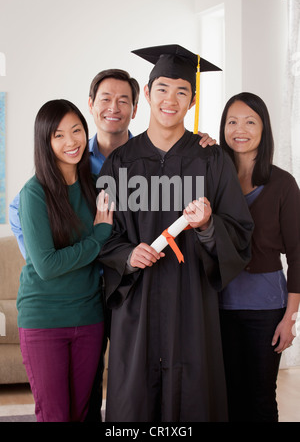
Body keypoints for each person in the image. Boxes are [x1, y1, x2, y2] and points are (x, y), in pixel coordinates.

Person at [9, 68, 215, 421]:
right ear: (92, 105)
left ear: (137, 106)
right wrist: (63, 265)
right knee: (66, 406)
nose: (114, 107)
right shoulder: (68, 169)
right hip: (75, 297)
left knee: (99, 394)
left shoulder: (147, 162)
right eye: (105, 98)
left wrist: (197, 143)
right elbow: (35, 241)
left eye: (124, 100)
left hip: (117, 297)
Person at [97, 44, 254, 422]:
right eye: (162, 89)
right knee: (135, 404)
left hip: (192, 304)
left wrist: (207, 226)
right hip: (139, 302)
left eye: (182, 92)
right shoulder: (121, 161)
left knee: (193, 399)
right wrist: (126, 255)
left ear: (193, 100)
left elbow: (240, 231)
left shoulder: (211, 159)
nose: (171, 99)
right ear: (147, 95)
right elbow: (105, 233)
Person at [17, 99, 114, 422]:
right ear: (45, 142)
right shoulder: (35, 193)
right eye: (58, 135)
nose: (70, 142)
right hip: (44, 319)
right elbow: (46, 265)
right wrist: (98, 237)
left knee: (81, 412)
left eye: (76, 131)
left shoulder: (95, 186)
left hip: (88, 316)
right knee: (56, 415)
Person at [218, 92, 300, 422]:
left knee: (261, 398)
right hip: (219, 306)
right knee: (227, 395)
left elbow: (297, 253)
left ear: (264, 129)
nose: (241, 129)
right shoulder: (214, 180)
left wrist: (289, 318)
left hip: (266, 310)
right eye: (232, 121)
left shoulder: (283, 184)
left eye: (250, 121)